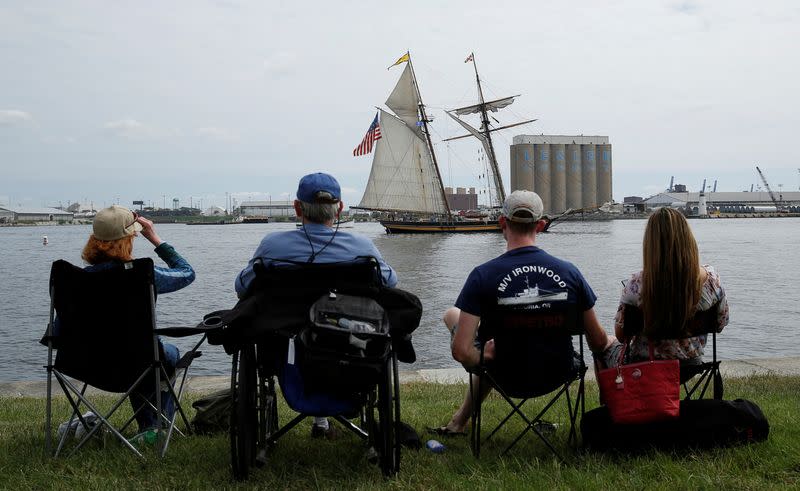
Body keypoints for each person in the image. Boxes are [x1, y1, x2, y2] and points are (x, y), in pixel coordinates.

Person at [432, 190, 614, 435]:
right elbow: (598, 341)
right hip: (558, 372)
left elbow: (461, 352)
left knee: (452, 315)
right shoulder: (570, 273)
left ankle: (459, 422)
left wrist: (482, 355)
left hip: (504, 374)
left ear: (502, 223)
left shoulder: (482, 275)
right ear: (540, 225)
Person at [235, 172, 397, 438]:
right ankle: (328, 419)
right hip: (347, 342)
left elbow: (242, 287)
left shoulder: (273, 246)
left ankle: (318, 421)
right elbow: (390, 282)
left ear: (297, 207)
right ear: (340, 208)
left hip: (285, 341)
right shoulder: (362, 248)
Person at [80, 205, 195, 435]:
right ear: (129, 238)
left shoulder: (74, 280)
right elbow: (186, 272)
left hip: (88, 366)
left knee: (141, 354)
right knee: (161, 354)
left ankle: (151, 427)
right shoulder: (144, 274)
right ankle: (155, 428)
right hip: (138, 362)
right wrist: (155, 239)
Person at [610, 207, 729, 365]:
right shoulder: (712, 280)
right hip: (690, 365)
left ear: (650, 244)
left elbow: (622, 336)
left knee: (604, 346)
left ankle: (614, 390)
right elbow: (720, 324)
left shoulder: (636, 284)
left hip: (646, 367)